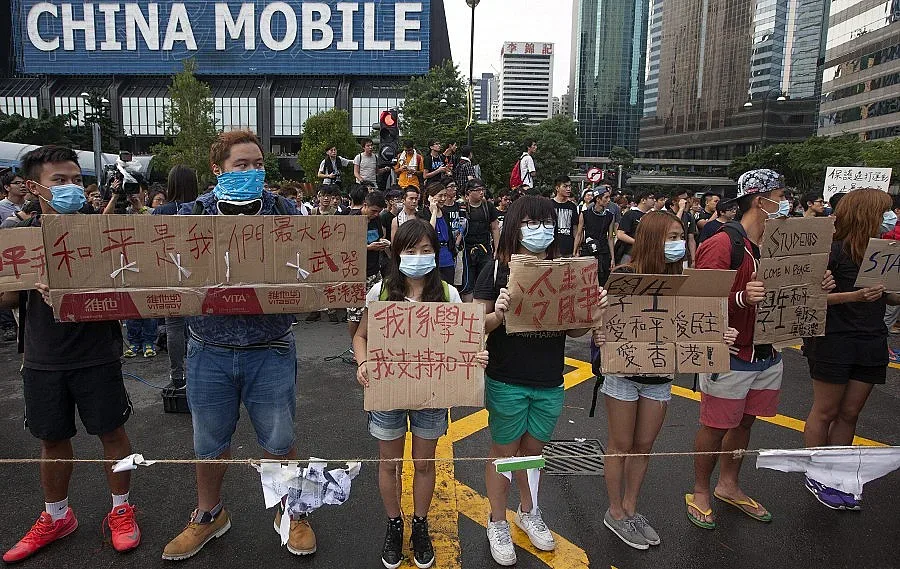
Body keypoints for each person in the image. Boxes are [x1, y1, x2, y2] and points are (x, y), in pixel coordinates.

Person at [163, 131, 312, 560]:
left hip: (271, 346)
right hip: (209, 346)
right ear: (217, 170)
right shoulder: (192, 215)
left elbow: (316, 264)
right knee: (208, 443)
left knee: (280, 440)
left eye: (258, 165)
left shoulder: (284, 211)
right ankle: (209, 516)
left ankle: (293, 513)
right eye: (241, 165)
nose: (251, 172)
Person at [1, 146, 140, 563]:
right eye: (59, 181)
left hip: (97, 351)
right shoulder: (16, 233)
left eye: (76, 180)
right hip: (43, 355)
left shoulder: (99, 230)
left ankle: (121, 511)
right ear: (32, 187)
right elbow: (6, 298)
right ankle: (56, 515)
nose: (71, 188)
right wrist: (32, 278)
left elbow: (129, 289)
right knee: (52, 439)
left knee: (111, 434)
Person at [688, 169, 835, 531]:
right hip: (732, 353)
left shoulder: (778, 244)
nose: (785, 204)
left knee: (746, 422)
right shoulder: (723, 243)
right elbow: (696, 298)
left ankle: (729, 484)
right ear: (760, 199)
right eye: (781, 196)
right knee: (715, 424)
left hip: (769, 351)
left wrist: (821, 283)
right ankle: (700, 491)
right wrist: (739, 297)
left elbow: (797, 287)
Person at [473, 195, 604, 566]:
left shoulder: (565, 271)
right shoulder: (497, 270)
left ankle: (528, 511)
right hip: (506, 379)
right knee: (503, 452)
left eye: (547, 222)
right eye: (531, 223)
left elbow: (576, 328)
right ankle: (497, 519)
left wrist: (595, 312)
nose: (541, 230)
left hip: (549, 380)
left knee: (532, 453)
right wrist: (498, 313)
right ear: (515, 226)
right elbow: (475, 325)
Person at [595, 211, 737, 549]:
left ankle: (631, 509)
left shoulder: (685, 280)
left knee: (643, 447)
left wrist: (721, 335)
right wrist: (599, 326)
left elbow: (698, 324)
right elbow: (601, 323)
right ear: (650, 239)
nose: (677, 244)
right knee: (620, 446)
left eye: (679, 237)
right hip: (623, 375)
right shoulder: (625, 275)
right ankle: (614, 512)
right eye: (670, 237)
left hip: (660, 377)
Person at [353, 218, 487, 569]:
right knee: (389, 462)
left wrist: (476, 354)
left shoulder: (448, 294)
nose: (418, 257)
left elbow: (464, 342)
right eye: (410, 251)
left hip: (432, 393)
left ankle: (421, 524)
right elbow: (361, 336)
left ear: (436, 254)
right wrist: (363, 363)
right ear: (397, 254)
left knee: (425, 463)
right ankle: (394, 523)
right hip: (389, 391)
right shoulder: (380, 292)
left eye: (426, 250)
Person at [802, 189, 899, 510]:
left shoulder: (885, 250)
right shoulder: (830, 252)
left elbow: (891, 297)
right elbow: (809, 299)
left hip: (871, 338)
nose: (891, 217)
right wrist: (854, 297)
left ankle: (838, 475)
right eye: (885, 211)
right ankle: (817, 475)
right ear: (867, 213)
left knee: (850, 412)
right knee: (826, 410)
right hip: (833, 338)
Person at [149, 165, 199, 388]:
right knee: (198, 325)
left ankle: (177, 375)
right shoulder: (201, 207)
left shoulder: (161, 211)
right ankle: (198, 371)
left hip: (169, 270)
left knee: (174, 327)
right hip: (198, 270)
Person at [345, 190, 389, 348]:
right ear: (365, 205)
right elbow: (345, 247)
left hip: (374, 271)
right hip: (355, 272)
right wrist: (368, 247)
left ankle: (372, 343)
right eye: (373, 211)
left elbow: (377, 237)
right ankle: (355, 346)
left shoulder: (376, 220)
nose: (376, 214)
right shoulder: (352, 219)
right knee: (354, 313)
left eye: (378, 211)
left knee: (378, 305)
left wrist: (383, 243)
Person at [461, 179, 500, 302]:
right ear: (469, 193)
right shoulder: (462, 207)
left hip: (484, 247)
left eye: (482, 189)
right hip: (466, 248)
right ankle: (469, 309)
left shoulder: (488, 206)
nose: (481, 192)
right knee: (468, 281)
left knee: (485, 279)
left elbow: (495, 228)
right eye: (477, 190)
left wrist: (497, 249)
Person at [573, 186, 616, 286]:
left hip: (603, 251)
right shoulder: (585, 214)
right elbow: (579, 234)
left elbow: (610, 237)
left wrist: (612, 258)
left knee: (602, 280)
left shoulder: (610, 216)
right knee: (585, 280)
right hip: (588, 249)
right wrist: (575, 251)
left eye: (609, 197)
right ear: (598, 199)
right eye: (606, 197)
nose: (608, 200)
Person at [424, 182, 457, 284]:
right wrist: (433, 212)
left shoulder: (445, 213)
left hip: (447, 256)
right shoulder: (423, 214)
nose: (443, 199)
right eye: (440, 196)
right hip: (432, 256)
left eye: (445, 195)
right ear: (431, 197)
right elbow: (429, 232)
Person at [614, 190, 655, 264]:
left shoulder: (651, 215)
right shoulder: (630, 214)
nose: (654, 200)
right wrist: (637, 242)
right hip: (629, 252)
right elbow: (620, 234)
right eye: (651, 198)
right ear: (643, 200)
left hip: (646, 254)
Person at [666, 188, 698, 266]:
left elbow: (691, 238)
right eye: (683, 199)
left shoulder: (688, 216)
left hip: (684, 255)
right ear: (674, 201)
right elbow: (673, 226)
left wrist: (693, 259)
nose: (686, 201)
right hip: (668, 254)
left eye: (686, 199)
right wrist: (681, 209)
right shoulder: (666, 215)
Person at [551, 175, 578, 256]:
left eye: (570, 186)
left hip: (568, 248)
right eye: (565, 186)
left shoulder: (572, 206)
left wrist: (576, 249)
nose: (568, 189)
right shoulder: (549, 204)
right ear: (557, 188)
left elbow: (575, 228)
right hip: (552, 247)